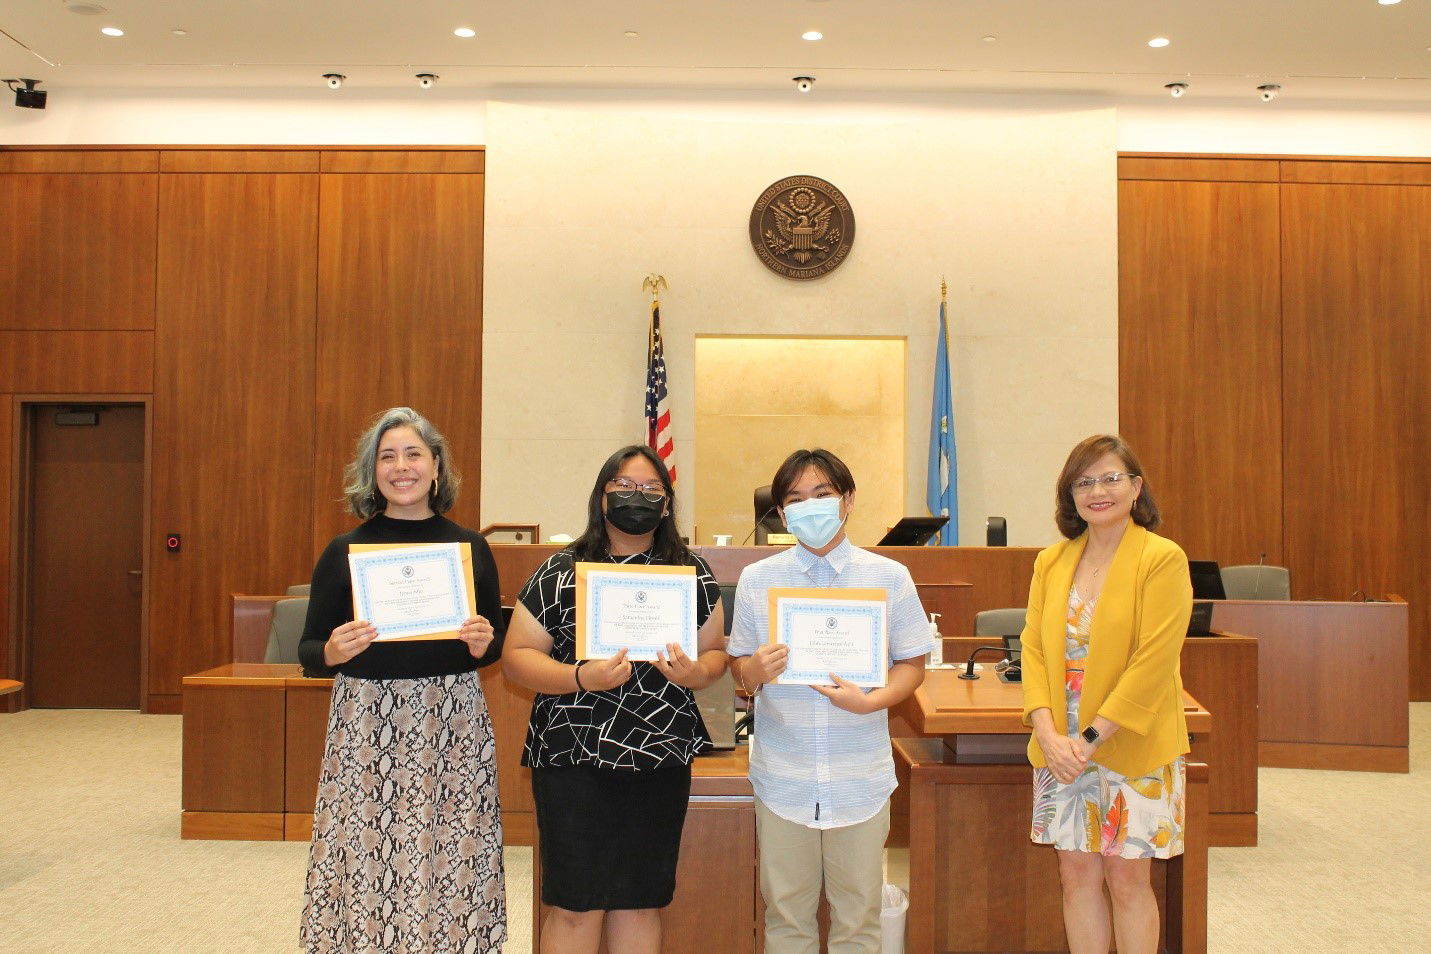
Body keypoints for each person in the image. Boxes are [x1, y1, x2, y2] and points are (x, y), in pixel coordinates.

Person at [501, 445, 726, 954]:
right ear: (601, 496)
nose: (636, 498)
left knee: (640, 900)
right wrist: (583, 677)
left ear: (667, 504)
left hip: (660, 753)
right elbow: (516, 657)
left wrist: (696, 672)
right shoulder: (560, 571)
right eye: (623, 487)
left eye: (650, 490)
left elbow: (716, 654)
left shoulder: (691, 572)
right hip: (573, 755)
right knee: (575, 904)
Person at [297, 407, 506, 954]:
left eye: (413, 453)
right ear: (373, 473)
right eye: (387, 457)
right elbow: (309, 650)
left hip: (451, 720)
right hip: (367, 721)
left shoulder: (470, 549)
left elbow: (492, 644)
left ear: (436, 466)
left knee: (451, 848)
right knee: (371, 855)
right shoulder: (344, 551)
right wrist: (333, 649)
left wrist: (486, 642)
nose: (401, 466)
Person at [727, 448, 932, 954]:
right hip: (783, 777)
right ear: (780, 512)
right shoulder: (759, 579)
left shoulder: (888, 576)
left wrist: (872, 701)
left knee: (858, 920)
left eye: (821, 494)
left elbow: (912, 664)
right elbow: (738, 667)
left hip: (860, 776)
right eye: (794, 499)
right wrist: (752, 672)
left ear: (848, 500)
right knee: (786, 918)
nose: (809, 507)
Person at [1020, 434, 1192, 954]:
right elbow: (1033, 650)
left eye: (1111, 478)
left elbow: (1153, 662)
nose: (1098, 490)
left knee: (1127, 881)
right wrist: (1048, 732)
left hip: (1130, 742)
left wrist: (1090, 738)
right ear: (1069, 495)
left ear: (1136, 488)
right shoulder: (1052, 562)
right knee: (1074, 874)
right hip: (1061, 748)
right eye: (1084, 481)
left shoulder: (1162, 559)